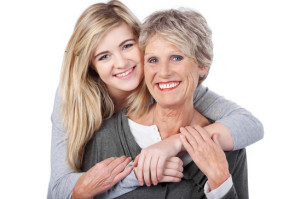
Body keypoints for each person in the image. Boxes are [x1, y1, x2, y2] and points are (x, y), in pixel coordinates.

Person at [48, 1, 263, 199]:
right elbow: (58, 190)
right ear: (91, 66)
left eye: (127, 46)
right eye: (104, 56)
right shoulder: (78, 103)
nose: (122, 63)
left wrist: (174, 145)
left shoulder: (173, 85)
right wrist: (141, 172)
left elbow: (250, 124)